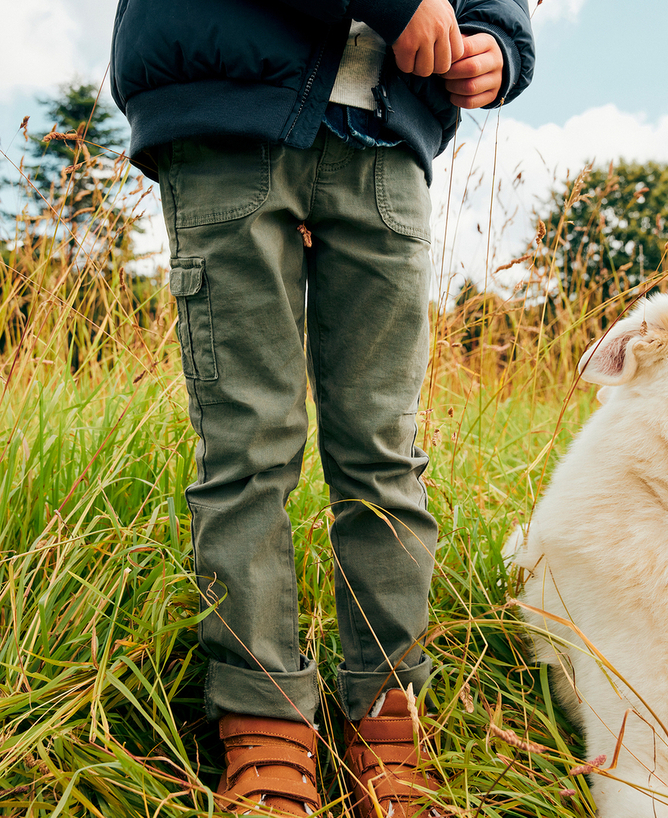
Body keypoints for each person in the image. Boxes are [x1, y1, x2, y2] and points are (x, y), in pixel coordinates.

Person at [110, 1, 534, 815]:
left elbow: (496, 11)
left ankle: (388, 720)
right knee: (248, 445)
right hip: (230, 112)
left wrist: (497, 50)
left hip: (386, 139)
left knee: (383, 450)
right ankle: (262, 722)